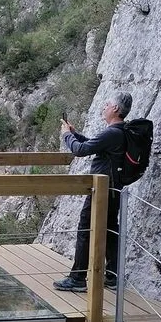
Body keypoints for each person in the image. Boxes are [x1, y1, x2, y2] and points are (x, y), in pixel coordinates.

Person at [53, 92, 132, 293]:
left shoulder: (112, 133)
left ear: (115, 109)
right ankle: (112, 277)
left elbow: (80, 150)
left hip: (102, 190)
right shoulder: (119, 132)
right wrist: (74, 133)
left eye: (107, 104)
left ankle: (78, 278)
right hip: (113, 189)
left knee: (85, 230)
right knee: (109, 230)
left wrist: (66, 136)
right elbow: (92, 145)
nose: (104, 107)